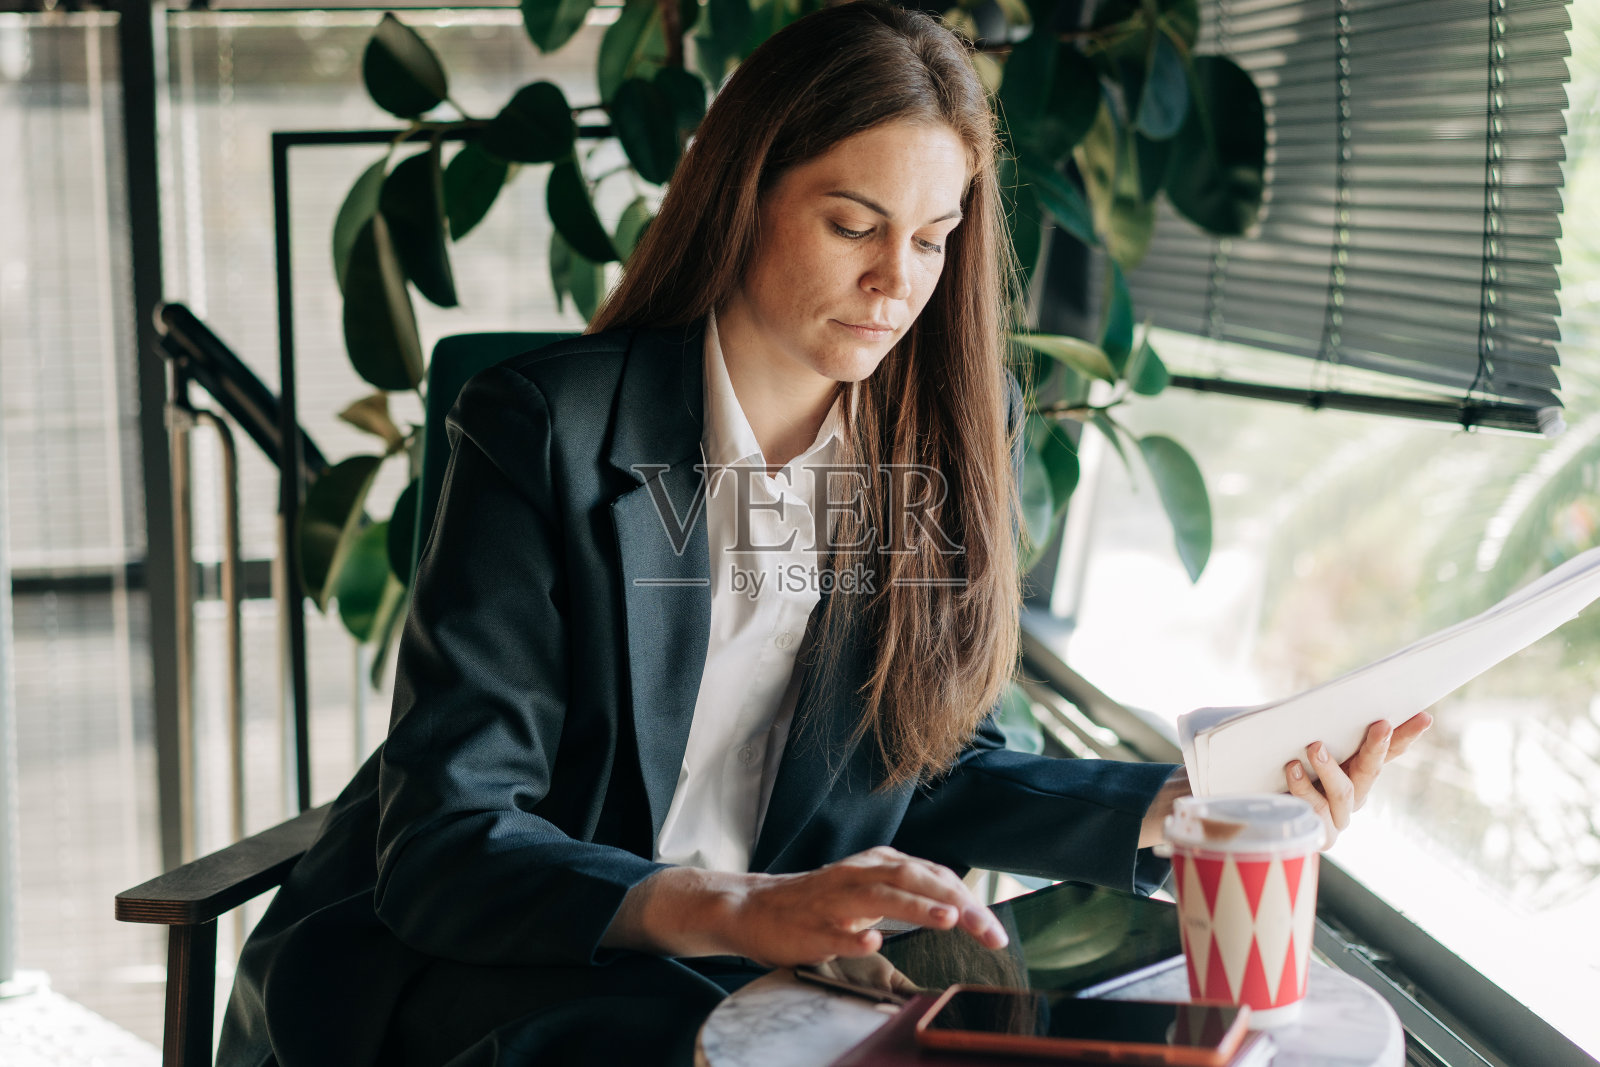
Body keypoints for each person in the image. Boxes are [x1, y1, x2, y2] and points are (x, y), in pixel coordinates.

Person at [218, 3, 1429, 1064]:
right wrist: (733, 907)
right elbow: (452, 841)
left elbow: (925, 757)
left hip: (766, 968)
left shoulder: (953, 428)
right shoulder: (539, 424)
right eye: (852, 224)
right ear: (745, 195)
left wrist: (1174, 808)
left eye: (931, 237)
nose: (896, 282)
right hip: (511, 960)